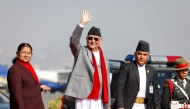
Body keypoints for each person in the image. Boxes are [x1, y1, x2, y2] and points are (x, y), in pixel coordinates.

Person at [64, 10, 110, 109]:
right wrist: (82, 23)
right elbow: (73, 41)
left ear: (100, 41)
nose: (93, 41)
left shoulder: (105, 58)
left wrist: (108, 103)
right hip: (83, 97)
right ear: (86, 39)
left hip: (99, 98)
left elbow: (106, 81)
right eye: (90, 38)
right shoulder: (81, 52)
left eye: (96, 39)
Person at [116, 40, 161, 109]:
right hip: (130, 106)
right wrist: (120, 106)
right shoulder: (126, 68)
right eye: (139, 54)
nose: (142, 57)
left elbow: (155, 93)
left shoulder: (152, 71)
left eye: (145, 54)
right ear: (135, 54)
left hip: (145, 106)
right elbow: (119, 88)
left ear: (148, 55)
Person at [7, 43, 51, 109]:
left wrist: (40, 86)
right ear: (17, 53)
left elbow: (27, 86)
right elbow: (16, 94)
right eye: (23, 52)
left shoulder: (28, 67)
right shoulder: (15, 70)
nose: (26, 55)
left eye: (29, 53)